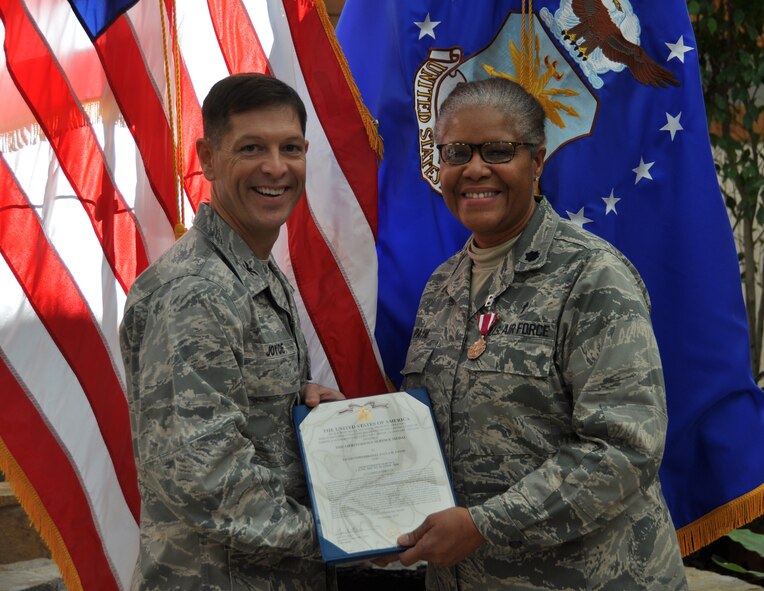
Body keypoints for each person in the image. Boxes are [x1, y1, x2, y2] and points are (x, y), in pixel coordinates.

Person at [395, 78, 688, 589]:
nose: (476, 169)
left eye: (499, 151)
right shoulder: (442, 284)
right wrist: (351, 417)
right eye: (457, 152)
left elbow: (624, 450)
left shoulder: (592, 276)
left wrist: (485, 526)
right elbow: (430, 428)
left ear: (537, 162)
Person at [119, 73, 342, 591]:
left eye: (290, 148)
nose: (275, 167)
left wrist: (295, 402)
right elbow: (205, 478)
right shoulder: (197, 291)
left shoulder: (254, 270)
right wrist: (344, 534)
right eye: (251, 148)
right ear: (208, 158)